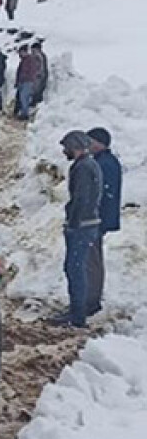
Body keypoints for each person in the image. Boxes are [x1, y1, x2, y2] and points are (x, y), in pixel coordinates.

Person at [52, 131, 103, 329]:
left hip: (81, 226)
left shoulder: (82, 167)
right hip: (88, 224)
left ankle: (77, 315)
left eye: (66, 147)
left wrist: (72, 223)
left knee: (75, 268)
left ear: (74, 147)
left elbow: (81, 198)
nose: (64, 151)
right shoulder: (90, 164)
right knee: (76, 267)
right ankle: (76, 311)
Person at [86, 128, 122, 317]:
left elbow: (102, 195)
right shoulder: (106, 161)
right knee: (93, 259)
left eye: (90, 141)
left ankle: (91, 301)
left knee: (91, 260)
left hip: (95, 221)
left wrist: (95, 218)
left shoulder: (103, 164)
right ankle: (91, 298)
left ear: (99, 143)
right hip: (99, 220)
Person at [15, 46, 41, 120]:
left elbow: (33, 71)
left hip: (28, 81)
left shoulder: (30, 60)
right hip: (23, 81)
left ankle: (25, 114)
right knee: (22, 97)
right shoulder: (23, 60)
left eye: (22, 52)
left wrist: (28, 77)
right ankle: (23, 112)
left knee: (24, 97)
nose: (20, 54)